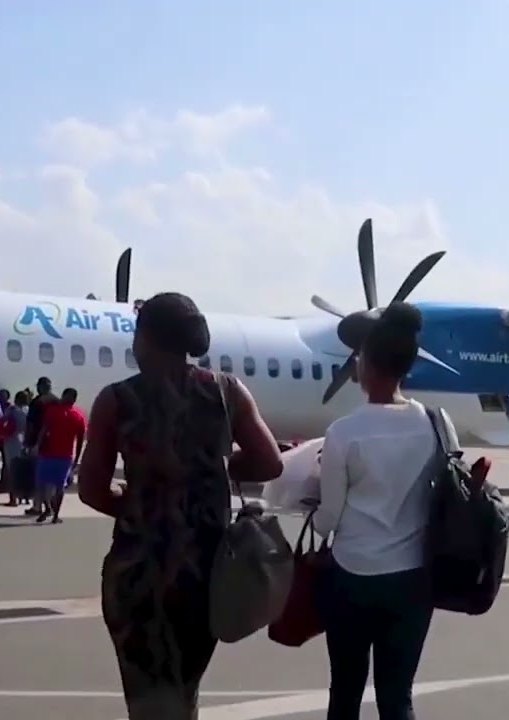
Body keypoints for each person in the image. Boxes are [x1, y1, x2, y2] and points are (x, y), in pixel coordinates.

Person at [77, 292, 283, 720]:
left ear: (146, 339)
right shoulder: (227, 391)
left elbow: (92, 489)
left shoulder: (115, 401)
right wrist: (216, 472)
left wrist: (141, 504)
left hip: (137, 573)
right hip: (204, 573)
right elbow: (270, 461)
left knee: (147, 698)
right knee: (184, 689)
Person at [309, 302, 445, 720]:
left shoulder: (344, 433)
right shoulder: (437, 423)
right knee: (397, 697)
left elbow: (327, 519)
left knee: (346, 693)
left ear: (365, 364)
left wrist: (310, 513)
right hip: (412, 580)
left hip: (353, 577)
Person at [34, 387, 87, 524]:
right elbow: (80, 440)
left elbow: (44, 430)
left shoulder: (52, 411)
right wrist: (76, 459)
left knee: (42, 484)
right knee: (59, 486)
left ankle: (49, 508)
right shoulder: (78, 415)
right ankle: (55, 514)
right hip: (64, 456)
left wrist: (37, 446)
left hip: (49, 453)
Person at [22, 377, 57, 516]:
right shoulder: (57, 401)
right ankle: (50, 503)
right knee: (51, 478)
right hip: (54, 443)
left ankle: (38, 506)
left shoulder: (37, 402)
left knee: (38, 476)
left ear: (40, 387)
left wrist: (26, 442)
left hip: (37, 442)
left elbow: (30, 424)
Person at [0, 391, 30, 507]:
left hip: (12, 441)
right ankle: (26, 497)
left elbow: (2, 420)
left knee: (12, 470)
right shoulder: (29, 410)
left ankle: (13, 499)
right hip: (26, 441)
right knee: (25, 470)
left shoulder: (12, 410)